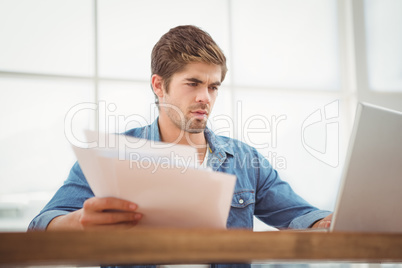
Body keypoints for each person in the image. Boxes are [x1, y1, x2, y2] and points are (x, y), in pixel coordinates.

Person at [29, 25, 332, 267]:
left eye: (213, 87)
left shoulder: (244, 159)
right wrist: (78, 222)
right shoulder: (111, 155)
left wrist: (330, 221)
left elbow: (302, 218)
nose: (206, 97)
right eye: (193, 83)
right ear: (159, 85)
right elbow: (40, 228)